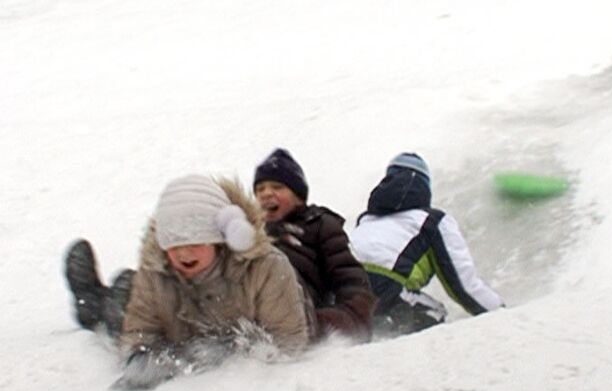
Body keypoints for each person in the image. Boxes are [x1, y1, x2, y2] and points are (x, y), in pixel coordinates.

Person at [65, 175, 309, 360]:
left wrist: (222, 351)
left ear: (220, 239)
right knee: (123, 309)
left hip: (212, 344)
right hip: (173, 336)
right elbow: (138, 335)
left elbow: (288, 343)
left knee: (122, 300)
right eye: (174, 245)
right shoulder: (156, 271)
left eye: (196, 242)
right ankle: (92, 298)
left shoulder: (265, 268)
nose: (184, 253)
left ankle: (97, 301)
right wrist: (144, 361)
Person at [349, 152, 504, 337]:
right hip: (386, 291)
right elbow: (463, 286)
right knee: (434, 314)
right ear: (424, 188)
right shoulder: (432, 221)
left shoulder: (366, 220)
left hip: (343, 292)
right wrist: (501, 314)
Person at [253, 148, 376, 343]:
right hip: (254, 327)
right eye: (260, 189)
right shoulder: (250, 233)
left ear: (298, 196)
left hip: (303, 319)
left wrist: (338, 322)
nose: (266, 193)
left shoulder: (320, 226)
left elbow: (352, 282)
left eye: (277, 187)